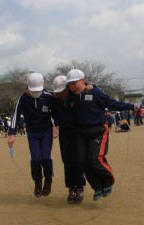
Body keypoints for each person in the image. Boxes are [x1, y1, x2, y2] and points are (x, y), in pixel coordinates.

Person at [66, 69, 138, 201]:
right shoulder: (71, 95)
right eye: (69, 84)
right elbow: (57, 94)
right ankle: (97, 186)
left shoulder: (95, 92)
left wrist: (131, 106)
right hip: (81, 132)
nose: (72, 87)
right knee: (81, 161)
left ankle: (108, 181)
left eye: (74, 83)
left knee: (93, 159)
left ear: (83, 80)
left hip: (98, 130)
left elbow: (111, 103)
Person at [7, 72, 58, 198]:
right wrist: (12, 133)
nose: (35, 92)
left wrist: (57, 126)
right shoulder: (23, 98)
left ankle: (48, 180)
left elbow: (56, 113)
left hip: (46, 131)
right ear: (28, 87)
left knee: (46, 157)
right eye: (32, 90)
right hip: (32, 132)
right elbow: (16, 115)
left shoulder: (49, 96)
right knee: (35, 159)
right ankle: (38, 182)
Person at [51, 75, 86, 204]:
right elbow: (54, 114)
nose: (58, 94)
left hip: (78, 132)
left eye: (60, 92)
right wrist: (56, 125)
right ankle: (71, 188)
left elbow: (90, 89)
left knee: (78, 160)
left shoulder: (76, 96)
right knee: (67, 161)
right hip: (64, 133)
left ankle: (80, 187)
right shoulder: (54, 100)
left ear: (67, 88)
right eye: (56, 92)